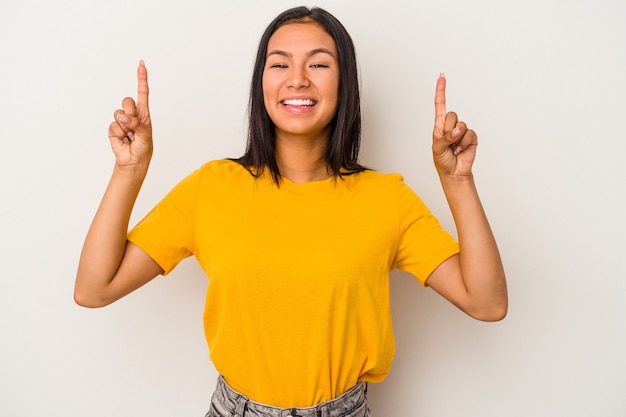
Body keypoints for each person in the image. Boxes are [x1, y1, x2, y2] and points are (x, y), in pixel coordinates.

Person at [75, 6, 507, 417]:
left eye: (318, 64)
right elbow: (94, 290)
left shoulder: (386, 198)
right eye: (279, 64)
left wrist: (458, 180)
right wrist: (130, 169)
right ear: (261, 82)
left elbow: (487, 303)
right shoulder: (212, 188)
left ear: (345, 82)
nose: (297, 79)